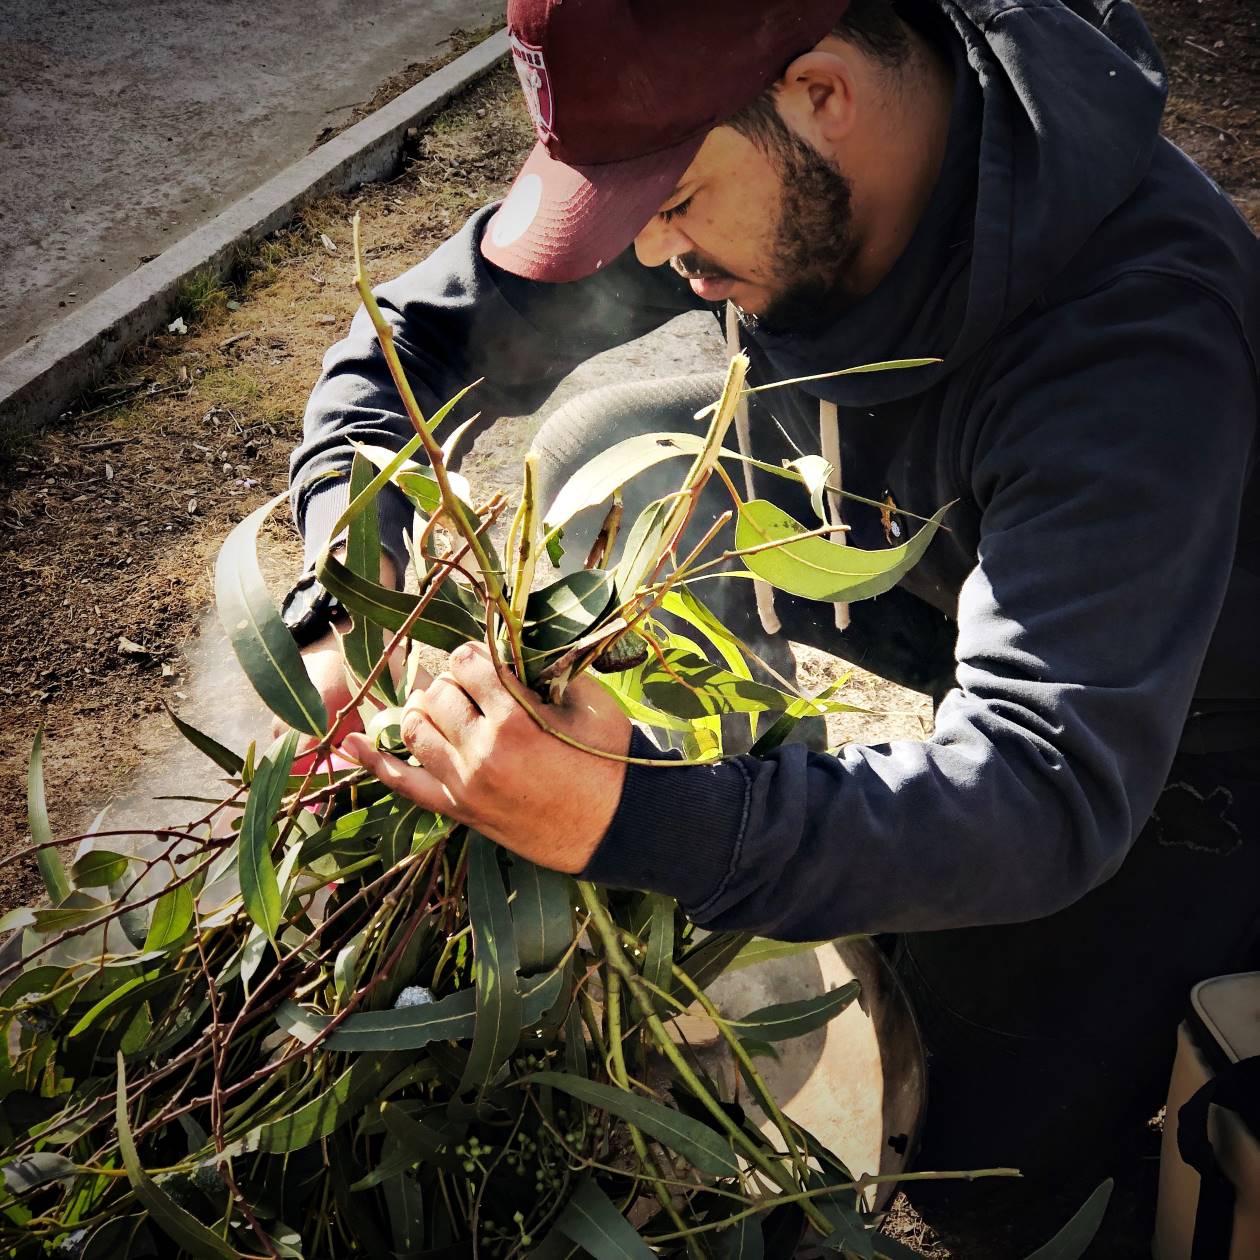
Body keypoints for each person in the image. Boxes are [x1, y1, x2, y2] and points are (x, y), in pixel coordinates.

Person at [285, 0, 1258, 1184]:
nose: (649, 256)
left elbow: (1045, 784)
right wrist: (351, 576)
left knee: (968, 1152)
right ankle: (745, 825)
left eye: (672, 204)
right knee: (612, 471)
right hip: (922, 555)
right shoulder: (772, 165)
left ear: (823, 95)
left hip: (1181, 710)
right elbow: (406, 345)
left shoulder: (1134, 337)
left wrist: (630, 816)